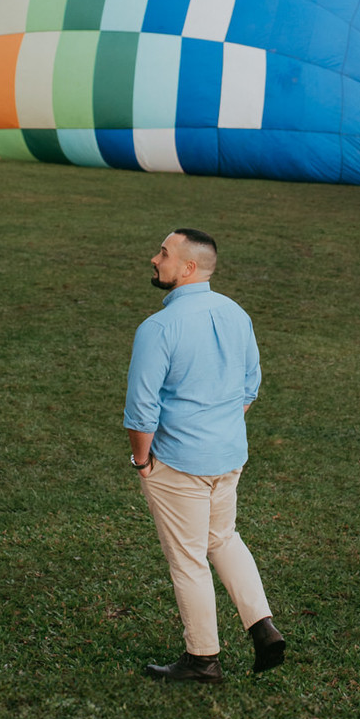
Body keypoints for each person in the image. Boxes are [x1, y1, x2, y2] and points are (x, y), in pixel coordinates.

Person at [124, 228, 285, 684]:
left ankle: (203, 661)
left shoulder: (158, 328)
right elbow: (250, 385)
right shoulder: (236, 313)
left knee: (189, 559)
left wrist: (142, 462)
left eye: (163, 253)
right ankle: (263, 627)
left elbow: (140, 412)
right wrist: (220, 427)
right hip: (229, 454)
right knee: (223, 539)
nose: (154, 259)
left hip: (178, 463)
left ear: (189, 267)